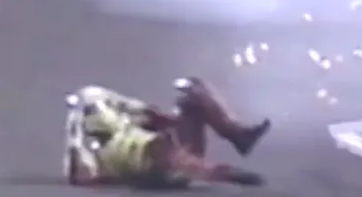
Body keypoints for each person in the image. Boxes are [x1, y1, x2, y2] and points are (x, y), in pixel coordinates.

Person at [64, 78, 271, 187]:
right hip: (158, 169)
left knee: (192, 94)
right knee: (161, 151)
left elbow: (136, 108)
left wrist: (160, 117)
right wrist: (73, 131)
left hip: (168, 148)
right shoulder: (97, 154)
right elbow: (79, 175)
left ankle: (239, 135)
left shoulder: (127, 122)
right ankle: (223, 172)